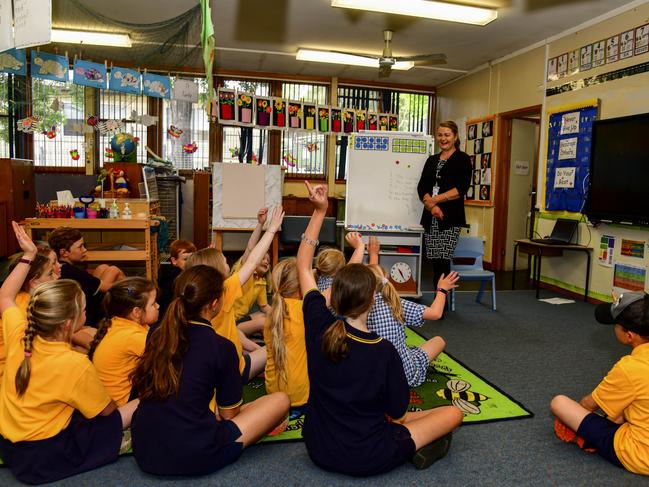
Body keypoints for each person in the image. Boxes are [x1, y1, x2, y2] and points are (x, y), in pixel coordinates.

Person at [297, 182, 463, 476]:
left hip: (318, 447)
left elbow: (302, 264)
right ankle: (421, 445)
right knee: (453, 413)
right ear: (371, 300)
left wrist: (319, 211)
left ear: (334, 296)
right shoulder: (383, 351)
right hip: (368, 455)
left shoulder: (318, 323)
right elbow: (397, 413)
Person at [0, 222, 138, 485]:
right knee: (139, 404)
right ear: (68, 324)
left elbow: (5, 295)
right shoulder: (73, 363)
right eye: (84, 310)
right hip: (44, 458)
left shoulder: (19, 334)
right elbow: (108, 412)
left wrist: (28, 254)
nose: (86, 314)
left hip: (10, 448)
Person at [130, 265, 290, 476]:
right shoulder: (221, 347)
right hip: (194, 454)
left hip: (144, 449)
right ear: (214, 304)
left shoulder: (156, 332)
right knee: (280, 400)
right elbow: (229, 414)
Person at [550, 292, 649, 475]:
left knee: (559, 403)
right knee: (624, 407)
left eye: (615, 325)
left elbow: (588, 405)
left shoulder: (629, 368)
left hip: (640, 454)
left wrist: (574, 425)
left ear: (629, 335)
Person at [185, 205, 284, 383]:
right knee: (273, 348)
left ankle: (248, 350)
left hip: (215, 367)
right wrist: (271, 230)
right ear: (215, 270)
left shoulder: (194, 297)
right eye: (223, 260)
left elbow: (250, 252)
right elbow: (252, 259)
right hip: (235, 370)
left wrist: (261, 226)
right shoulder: (225, 290)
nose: (227, 260)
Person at [366, 236, 460, 387]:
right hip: (403, 374)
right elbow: (436, 313)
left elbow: (371, 278)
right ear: (386, 279)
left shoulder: (356, 305)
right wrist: (442, 289)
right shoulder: (396, 303)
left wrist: (372, 254)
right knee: (439, 341)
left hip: (369, 376)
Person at [417, 120, 472, 291]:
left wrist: (436, 200)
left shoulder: (462, 159)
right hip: (431, 217)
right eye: (440, 135)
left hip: (450, 218)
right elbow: (422, 187)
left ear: (455, 137)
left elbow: (461, 189)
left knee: (443, 259)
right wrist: (432, 206)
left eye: (447, 135)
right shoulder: (431, 160)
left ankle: (442, 301)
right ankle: (438, 300)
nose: (443, 138)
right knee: (434, 261)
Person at [88, 277, 159, 406]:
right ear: (137, 312)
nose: (158, 306)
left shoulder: (120, 323)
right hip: (123, 405)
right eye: (153, 304)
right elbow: (168, 354)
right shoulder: (131, 336)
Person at [48, 227, 125, 326]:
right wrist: (128, 288)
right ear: (64, 252)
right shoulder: (72, 272)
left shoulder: (63, 267)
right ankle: (133, 303)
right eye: (80, 247)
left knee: (102, 268)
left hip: (86, 303)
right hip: (90, 315)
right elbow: (110, 288)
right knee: (114, 270)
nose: (85, 250)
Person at [263, 257, 308, 415]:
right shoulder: (306, 310)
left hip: (273, 397)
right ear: (302, 285)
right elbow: (336, 288)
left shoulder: (271, 316)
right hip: (302, 397)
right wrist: (359, 250)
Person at [232, 208, 273, 340]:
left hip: (241, 319)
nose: (266, 261)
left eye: (268, 260)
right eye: (263, 258)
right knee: (263, 322)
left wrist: (279, 314)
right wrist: (260, 224)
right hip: (230, 322)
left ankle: (265, 337)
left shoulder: (261, 281)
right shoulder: (245, 273)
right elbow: (250, 248)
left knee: (264, 316)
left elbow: (264, 306)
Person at [157, 239, 196, 318]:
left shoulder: (185, 274)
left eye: (193, 258)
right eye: (185, 259)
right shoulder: (174, 278)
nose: (190, 262)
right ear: (174, 261)